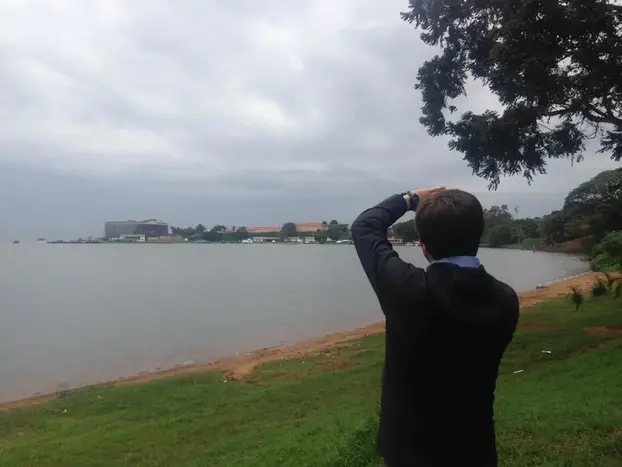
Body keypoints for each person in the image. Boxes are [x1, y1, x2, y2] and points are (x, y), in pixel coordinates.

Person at [351, 188, 519, 467]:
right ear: (478, 236)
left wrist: (409, 200)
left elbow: (365, 226)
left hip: (409, 452)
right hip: (475, 449)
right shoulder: (506, 300)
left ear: (423, 246)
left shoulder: (408, 290)